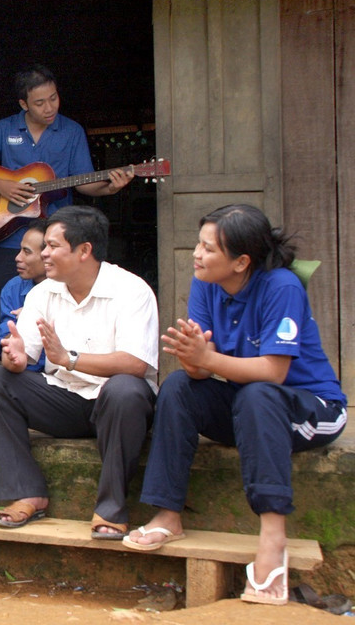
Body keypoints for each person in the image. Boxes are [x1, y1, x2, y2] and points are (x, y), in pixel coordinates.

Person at [123, 204, 348, 606]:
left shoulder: (281, 287)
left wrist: (207, 360)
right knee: (177, 387)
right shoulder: (206, 285)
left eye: (209, 249)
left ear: (241, 262)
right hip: (251, 408)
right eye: (199, 243)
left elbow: (274, 373)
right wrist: (193, 360)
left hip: (312, 411)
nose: (197, 254)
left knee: (259, 393)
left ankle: (273, 537)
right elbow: (201, 374)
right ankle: (167, 514)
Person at [0, 205, 158, 539]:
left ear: (84, 250)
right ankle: (27, 491)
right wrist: (13, 359)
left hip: (116, 407)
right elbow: (22, 356)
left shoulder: (131, 290)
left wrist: (68, 358)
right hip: (64, 400)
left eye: (52, 246)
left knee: (126, 389)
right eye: (44, 246)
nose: (43, 254)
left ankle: (111, 507)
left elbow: (135, 364)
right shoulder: (43, 292)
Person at [0, 64, 133, 355]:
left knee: (57, 306)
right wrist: (1, 186)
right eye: (40, 102)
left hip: (56, 241)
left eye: (54, 98)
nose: (49, 107)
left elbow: (84, 182)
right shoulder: (5, 129)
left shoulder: (71, 131)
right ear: (23, 104)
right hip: (9, 238)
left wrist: (110, 187)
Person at [0, 219, 47, 368]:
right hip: (24, 373)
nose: (17, 258)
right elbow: (6, 346)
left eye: (27, 252)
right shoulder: (13, 289)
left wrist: (32, 315)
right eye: (20, 250)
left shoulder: (71, 287)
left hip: (63, 374)